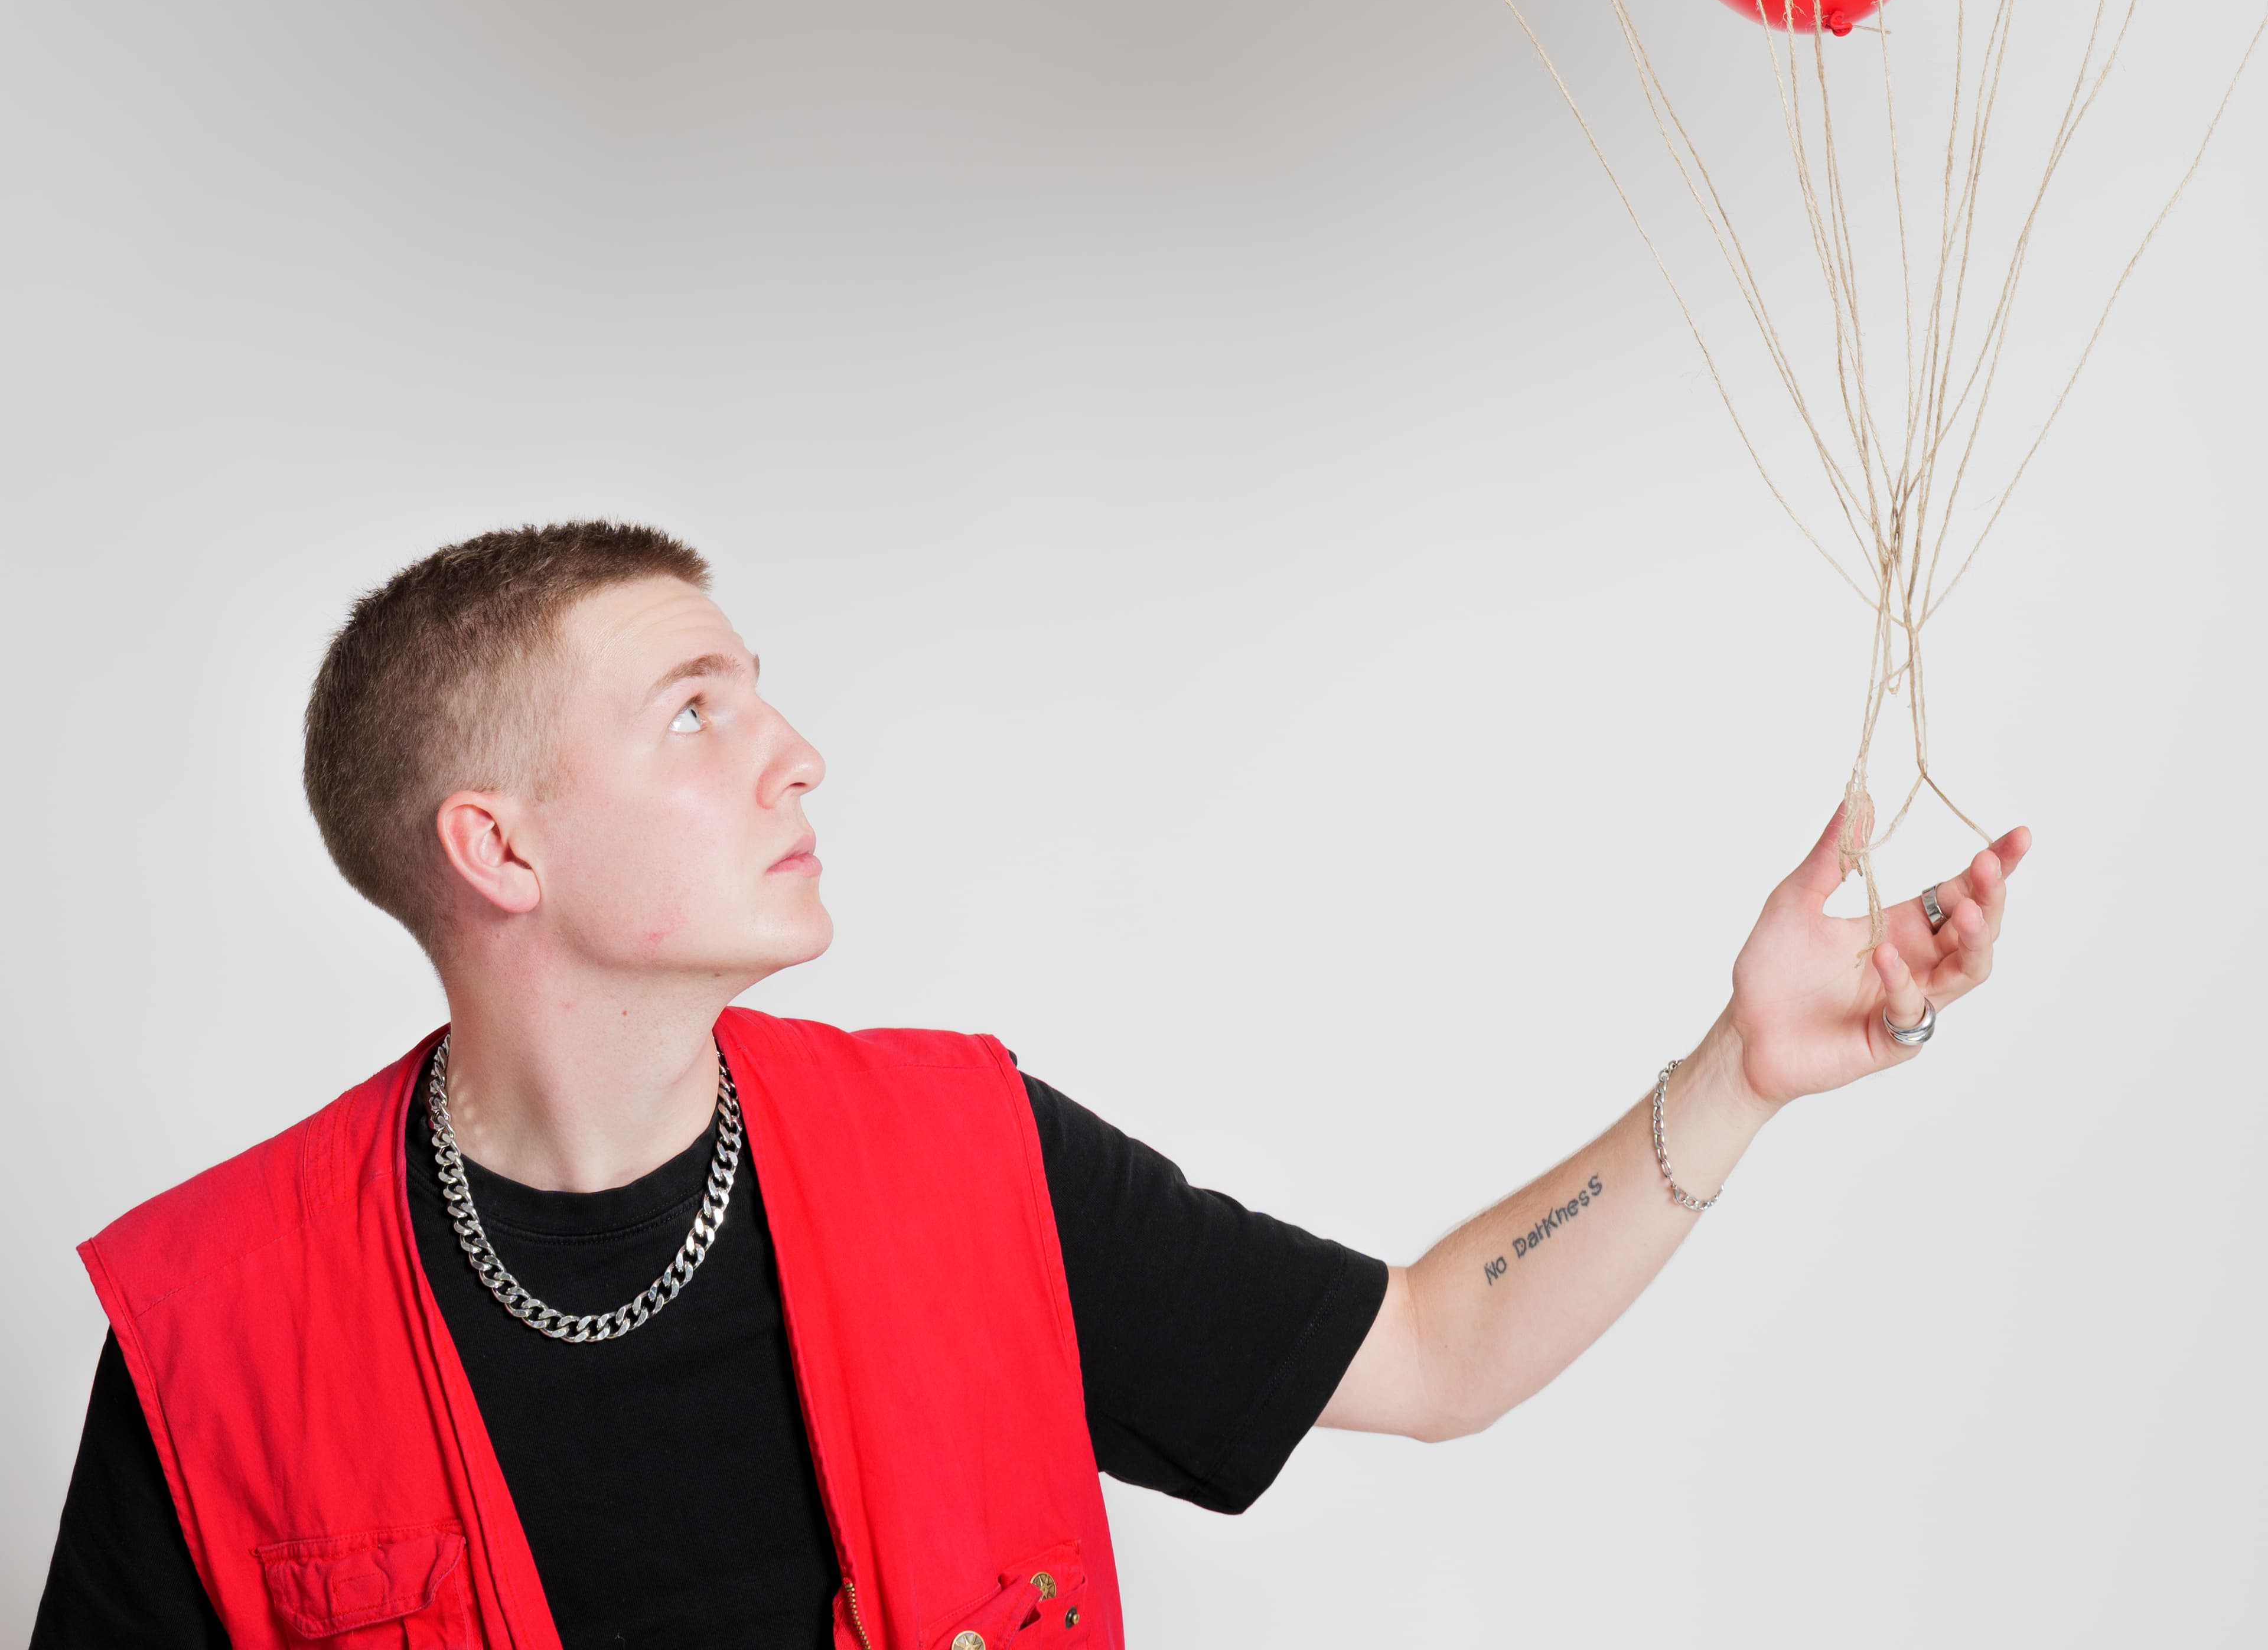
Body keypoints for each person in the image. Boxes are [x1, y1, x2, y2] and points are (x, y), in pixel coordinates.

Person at [32, 521, 2026, 1650]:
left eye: (765, 689)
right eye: (695, 712)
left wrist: (1741, 1074)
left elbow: (1432, 1350)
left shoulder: (959, 1154)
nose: (795, 752)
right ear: (500, 849)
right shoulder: (220, 1325)